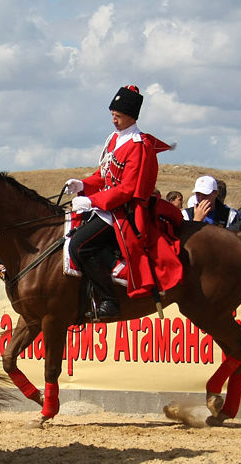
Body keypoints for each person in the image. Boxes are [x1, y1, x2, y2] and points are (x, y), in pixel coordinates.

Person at [65, 84, 175, 319]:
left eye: (118, 116)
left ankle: (109, 300)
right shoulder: (115, 139)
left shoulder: (139, 146)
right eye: (112, 115)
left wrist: (92, 201)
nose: (114, 120)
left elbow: (127, 189)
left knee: (80, 245)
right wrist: (83, 184)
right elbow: (104, 175)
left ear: (130, 117)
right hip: (107, 205)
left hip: (123, 210)